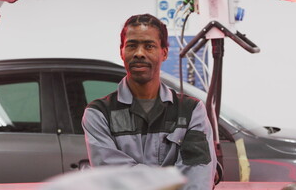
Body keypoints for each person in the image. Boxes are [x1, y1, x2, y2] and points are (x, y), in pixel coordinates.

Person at [82, 13, 217, 190]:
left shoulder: (190, 111)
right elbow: (111, 178)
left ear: (164, 53)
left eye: (149, 46)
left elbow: (197, 179)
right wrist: (170, 179)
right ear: (121, 51)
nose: (139, 53)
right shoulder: (99, 114)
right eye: (131, 45)